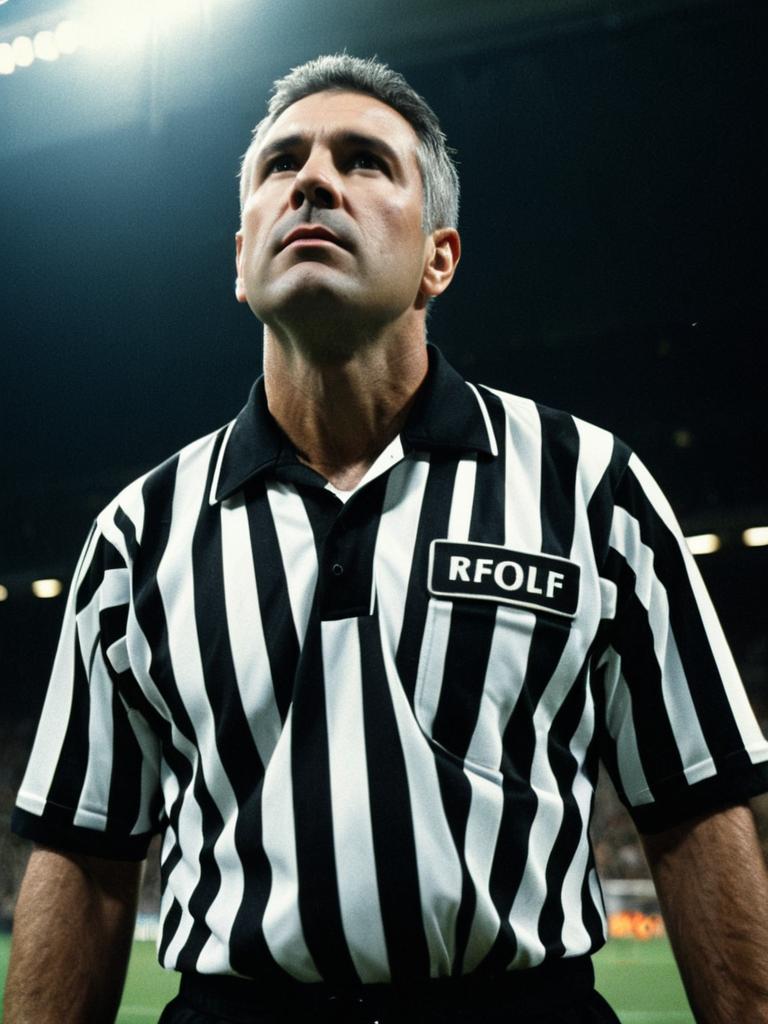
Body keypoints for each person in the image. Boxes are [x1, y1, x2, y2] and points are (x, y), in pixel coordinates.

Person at [5, 53, 768, 1024]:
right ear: (242, 256)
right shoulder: (137, 535)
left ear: (438, 258)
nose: (313, 180)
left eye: (364, 160)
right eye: (281, 165)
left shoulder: (592, 487)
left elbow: (694, 813)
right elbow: (85, 855)